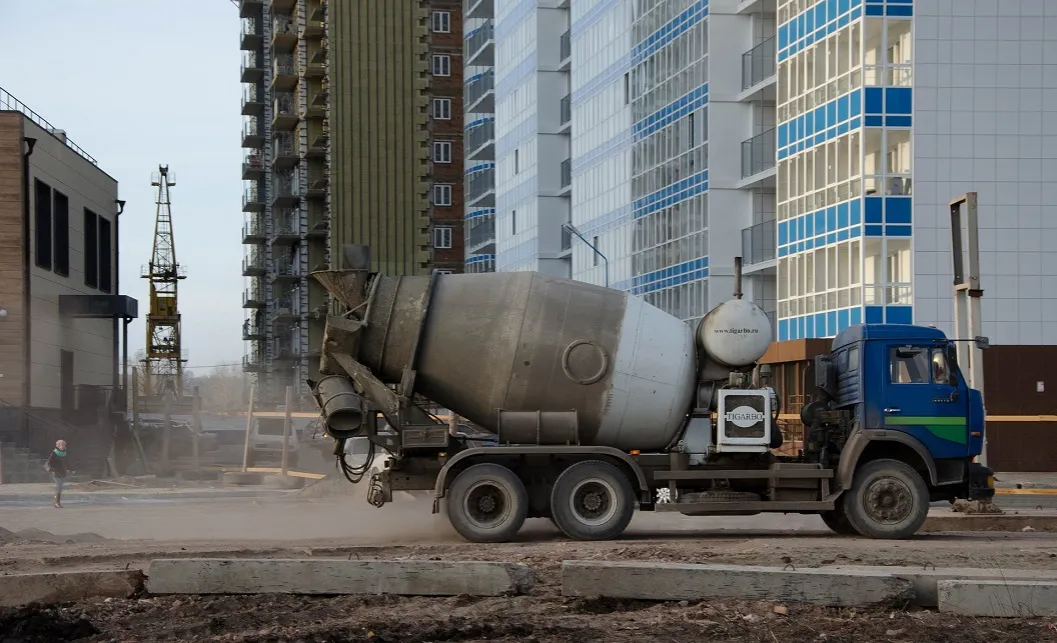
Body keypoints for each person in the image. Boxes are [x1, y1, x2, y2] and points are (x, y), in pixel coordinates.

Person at [45, 440, 70, 508]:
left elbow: (67, 462)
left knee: (60, 488)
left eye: (64, 445)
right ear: (57, 446)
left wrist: (71, 468)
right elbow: (48, 462)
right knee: (59, 487)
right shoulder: (54, 453)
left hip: (63, 472)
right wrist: (50, 468)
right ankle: (57, 503)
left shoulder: (64, 453)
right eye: (62, 445)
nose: (63, 446)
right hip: (56, 472)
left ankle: (56, 497)